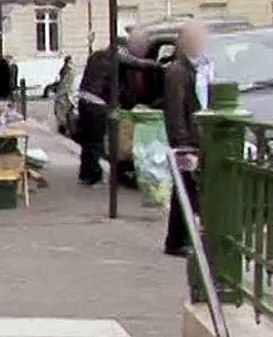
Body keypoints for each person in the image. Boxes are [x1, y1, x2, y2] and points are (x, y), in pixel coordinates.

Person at [76, 27, 161, 186]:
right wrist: (158, 65)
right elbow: (137, 63)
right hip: (97, 103)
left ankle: (86, 174)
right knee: (96, 142)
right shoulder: (114, 56)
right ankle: (94, 176)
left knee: (88, 140)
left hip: (84, 100)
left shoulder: (96, 55)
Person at [163, 22, 211, 257]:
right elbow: (174, 110)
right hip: (186, 142)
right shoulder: (177, 71)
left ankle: (180, 239)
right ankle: (178, 240)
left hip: (193, 139)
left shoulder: (194, 68)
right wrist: (182, 144)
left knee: (185, 190)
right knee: (186, 191)